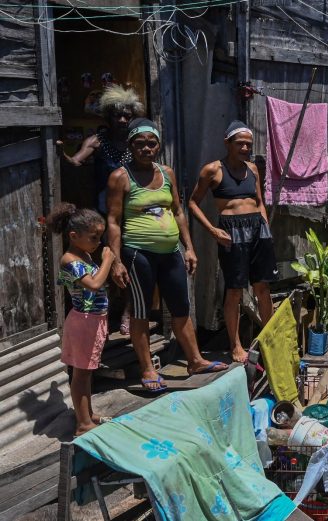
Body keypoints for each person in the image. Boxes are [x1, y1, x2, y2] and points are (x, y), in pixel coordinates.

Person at [107, 118, 228, 392]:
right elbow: (113, 221)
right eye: (140, 144)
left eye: (151, 144)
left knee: (181, 307)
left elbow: (178, 211)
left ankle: (195, 360)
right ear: (131, 146)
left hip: (171, 251)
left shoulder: (167, 173)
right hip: (139, 254)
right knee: (141, 312)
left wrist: (190, 247)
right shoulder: (120, 177)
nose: (146, 149)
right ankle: (148, 368)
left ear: (158, 146)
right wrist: (116, 261)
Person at [189, 120, 277, 364]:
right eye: (240, 144)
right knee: (235, 290)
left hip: (257, 229)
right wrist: (212, 230)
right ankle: (235, 344)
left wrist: (265, 227)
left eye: (248, 144)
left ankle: (268, 339)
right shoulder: (213, 170)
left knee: (263, 287)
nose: (245, 148)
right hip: (231, 231)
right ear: (227, 143)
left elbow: (258, 201)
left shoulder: (253, 169)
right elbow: (193, 202)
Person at [60, 84, 143, 335]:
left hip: (132, 210)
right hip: (105, 213)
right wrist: (58, 151)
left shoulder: (135, 143)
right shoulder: (97, 141)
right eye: (117, 114)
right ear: (107, 116)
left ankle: (129, 310)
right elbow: (75, 161)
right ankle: (100, 312)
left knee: (132, 261)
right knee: (105, 259)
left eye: (126, 115)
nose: (121, 119)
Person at [47, 202, 114, 435]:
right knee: (80, 374)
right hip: (84, 322)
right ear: (74, 236)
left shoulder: (84, 254)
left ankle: (87, 414)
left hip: (94, 320)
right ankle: (83, 424)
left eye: (100, 238)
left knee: (87, 371)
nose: (99, 243)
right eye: (94, 238)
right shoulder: (70, 259)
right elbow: (94, 285)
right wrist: (108, 260)